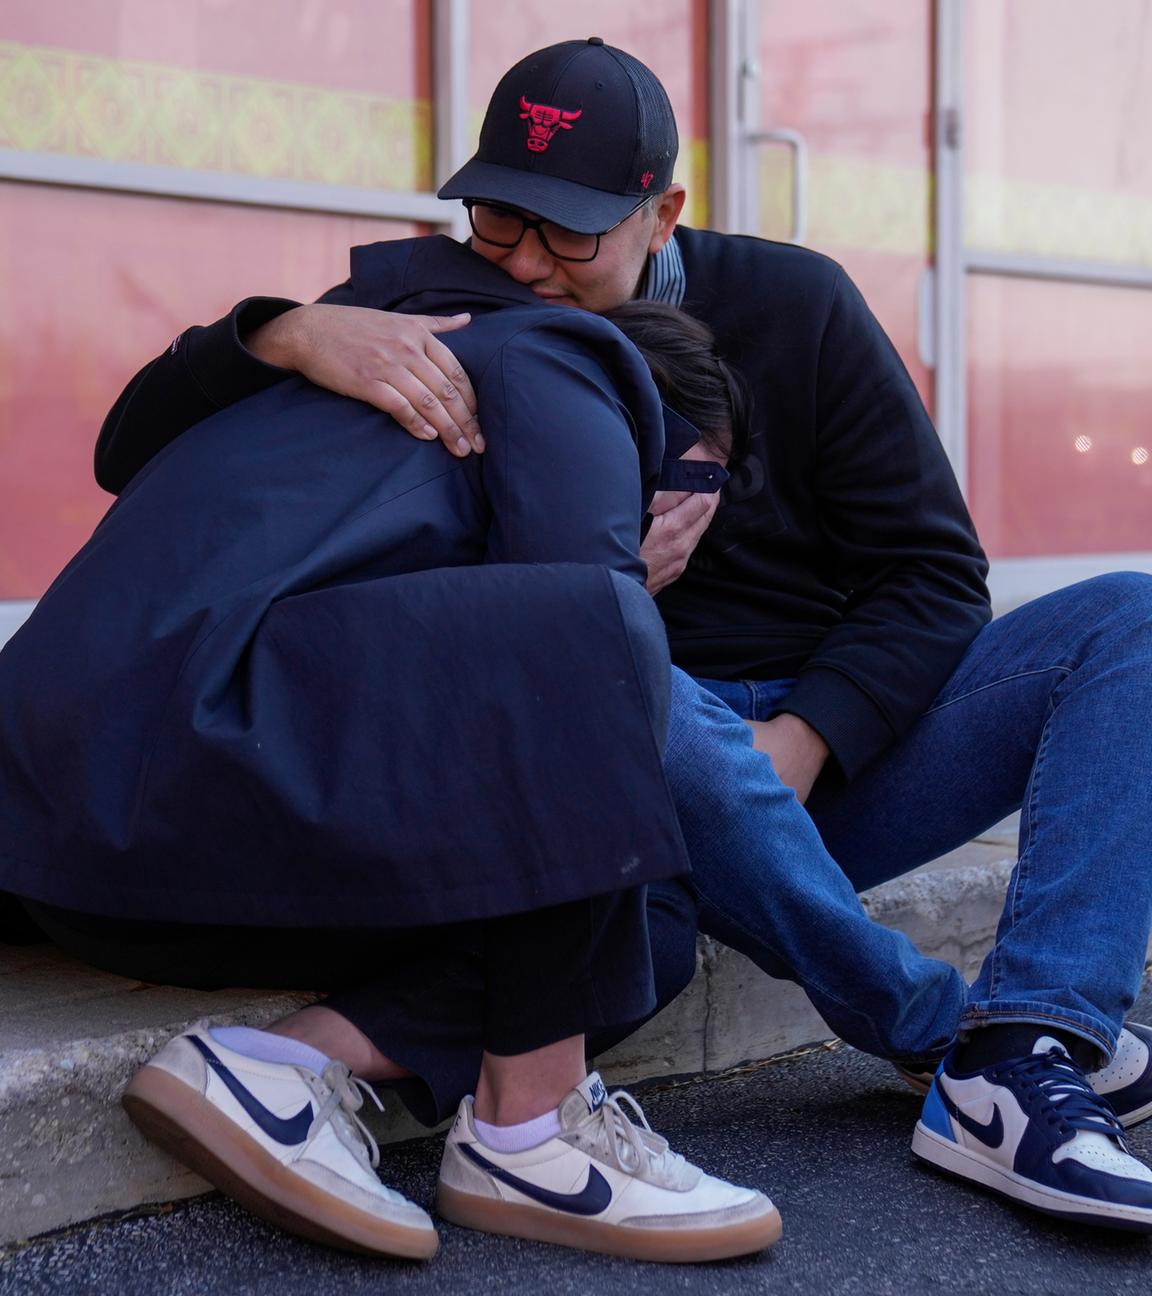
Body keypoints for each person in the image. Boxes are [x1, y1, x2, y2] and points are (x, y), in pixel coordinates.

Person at [85, 38, 1152, 1231]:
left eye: (575, 233)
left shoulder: (796, 303)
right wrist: (280, 333)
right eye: (501, 218)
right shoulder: (427, 301)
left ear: (666, 213)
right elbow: (128, 451)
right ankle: (954, 1047)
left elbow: (937, 576)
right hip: (605, 769)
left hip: (810, 761)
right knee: (622, 719)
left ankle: (1036, 1027)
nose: (530, 264)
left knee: (1130, 621)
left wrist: (809, 738)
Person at [0, 247, 785, 1262]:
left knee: (630, 900)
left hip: (57, 833)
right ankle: (528, 1132)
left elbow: (125, 447)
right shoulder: (570, 356)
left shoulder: (366, 379)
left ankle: (282, 1072)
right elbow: (583, 642)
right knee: (604, 645)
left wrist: (271, 329)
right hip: (160, 811)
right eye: (694, 487)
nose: (687, 521)